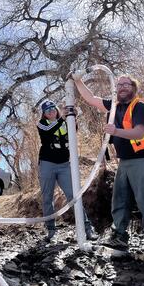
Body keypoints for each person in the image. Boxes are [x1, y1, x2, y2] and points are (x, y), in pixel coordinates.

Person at [72, 73, 144, 259]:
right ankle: (119, 238)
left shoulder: (140, 107)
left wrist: (115, 131)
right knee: (120, 200)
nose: (122, 87)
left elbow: (139, 133)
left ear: (133, 88)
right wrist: (77, 80)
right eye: (119, 84)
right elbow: (91, 99)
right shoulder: (115, 106)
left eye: (126, 84)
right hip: (125, 162)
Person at [37, 100, 98, 242]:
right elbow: (49, 131)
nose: (51, 111)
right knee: (47, 198)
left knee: (74, 196)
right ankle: (51, 231)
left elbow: (73, 129)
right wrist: (62, 118)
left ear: (57, 109)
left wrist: (73, 116)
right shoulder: (42, 124)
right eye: (47, 110)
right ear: (44, 114)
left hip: (64, 165)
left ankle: (87, 229)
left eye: (53, 108)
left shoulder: (65, 121)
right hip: (47, 164)